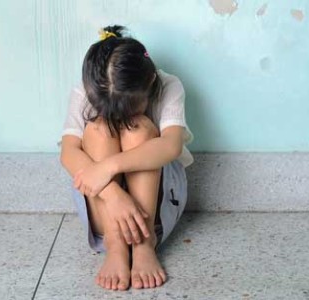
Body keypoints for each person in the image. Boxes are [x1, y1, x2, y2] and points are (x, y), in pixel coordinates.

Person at [59, 25, 194, 291]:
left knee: (138, 128)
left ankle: (144, 245)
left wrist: (110, 166)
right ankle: (116, 247)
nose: (119, 116)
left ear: (151, 81)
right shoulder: (85, 91)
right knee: (99, 129)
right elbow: (68, 152)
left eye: (130, 109)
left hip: (153, 207)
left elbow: (171, 146)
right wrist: (113, 194)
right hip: (103, 203)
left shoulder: (168, 85)